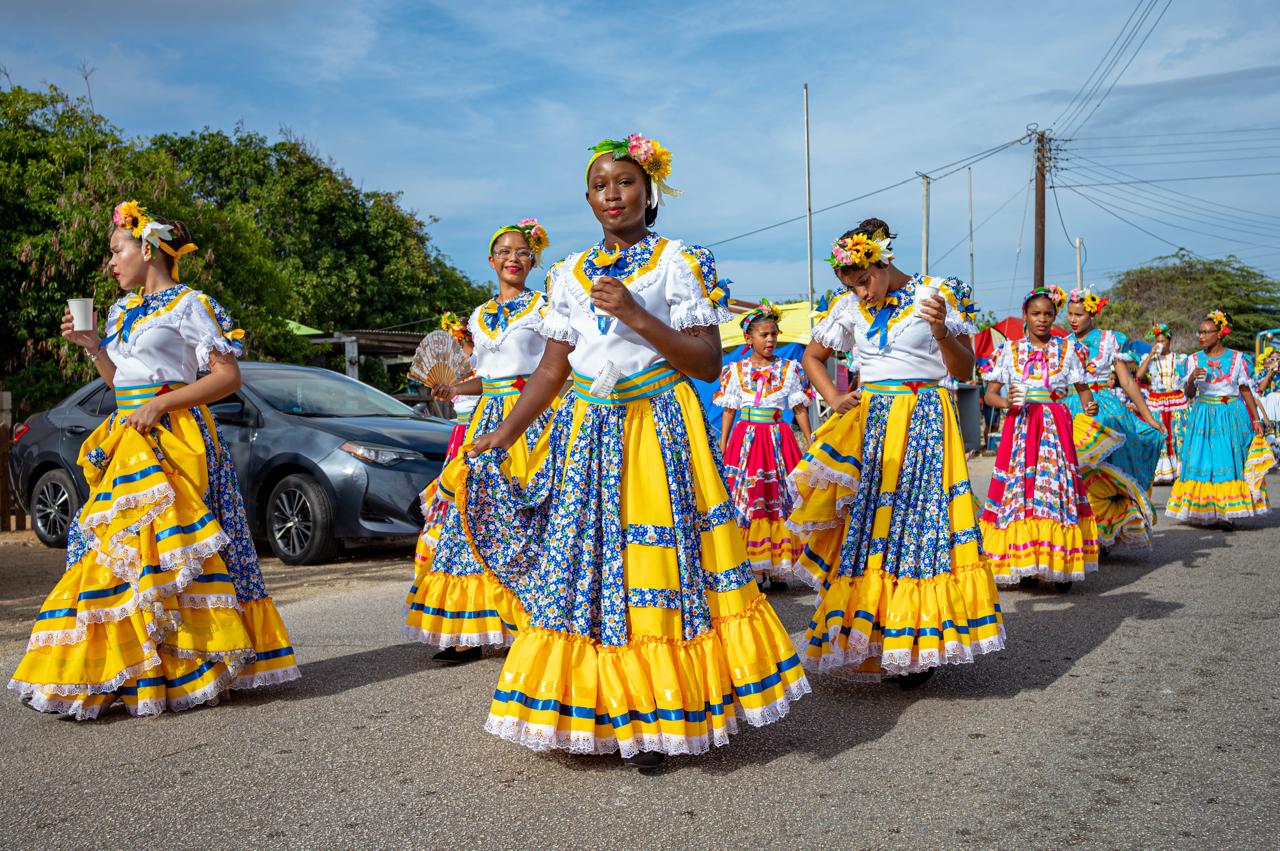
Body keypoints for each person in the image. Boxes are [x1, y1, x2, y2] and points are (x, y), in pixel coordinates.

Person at [454, 133, 808, 765]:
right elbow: (552, 369)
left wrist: (638, 315)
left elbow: (705, 361)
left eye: (623, 182)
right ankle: (600, 712)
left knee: (655, 569)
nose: (611, 194)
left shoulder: (678, 260)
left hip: (657, 430)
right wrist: (504, 434)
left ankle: (661, 713)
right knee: (586, 570)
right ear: (587, 198)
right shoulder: (566, 273)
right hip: (588, 435)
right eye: (599, 185)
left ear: (649, 192)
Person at [10, 200, 299, 718]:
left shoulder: (191, 304)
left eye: (116, 250)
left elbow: (227, 378)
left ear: (147, 248)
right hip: (127, 441)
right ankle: (130, 671)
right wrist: (94, 346)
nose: (111, 263)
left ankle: (196, 667)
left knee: (177, 555)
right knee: (123, 555)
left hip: (178, 438)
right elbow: (122, 383)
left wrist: (162, 403)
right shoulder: (121, 313)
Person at [787, 219, 1004, 685]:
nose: (863, 293)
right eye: (852, 285)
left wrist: (943, 330)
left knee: (922, 526)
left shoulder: (937, 292)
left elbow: (966, 369)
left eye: (865, 280)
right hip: (872, 423)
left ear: (884, 261)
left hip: (926, 416)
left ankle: (916, 640)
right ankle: (877, 632)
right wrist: (834, 396)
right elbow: (811, 357)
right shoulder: (847, 307)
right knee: (870, 529)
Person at [403, 219, 555, 663]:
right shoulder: (479, 315)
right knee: (473, 517)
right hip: (485, 424)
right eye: (504, 251)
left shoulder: (546, 308)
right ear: (491, 261)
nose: (513, 258)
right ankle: (474, 631)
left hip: (532, 422)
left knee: (529, 516)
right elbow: (484, 379)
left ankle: (536, 622)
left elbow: (556, 369)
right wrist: (453, 389)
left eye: (523, 252)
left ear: (533, 260)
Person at [979, 285, 1100, 589]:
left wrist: (1089, 405)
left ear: (1054, 316)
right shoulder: (1009, 351)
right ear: (1026, 316)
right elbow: (991, 395)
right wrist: (1007, 402)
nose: (1042, 319)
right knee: (1021, 492)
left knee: (1054, 490)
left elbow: (1083, 391)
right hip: (1020, 427)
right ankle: (1026, 562)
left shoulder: (1068, 350)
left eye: (1048, 314)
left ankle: (1058, 562)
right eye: (1036, 314)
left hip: (1054, 429)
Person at [714, 300, 812, 586]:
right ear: (749, 338)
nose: (770, 340)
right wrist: (723, 443)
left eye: (774, 334)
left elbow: (799, 408)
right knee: (749, 500)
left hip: (777, 440)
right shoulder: (735, 370)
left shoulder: (790, 369)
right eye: (764, 335)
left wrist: (810, 439)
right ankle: (755, 566)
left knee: (778, 499)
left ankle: (778, 565)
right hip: (745, 442)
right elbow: (729, 409)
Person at [1064, 288, 1163, 548]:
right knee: (1077, 470)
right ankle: (1083, 532)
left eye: (1079, 314)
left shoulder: (1110, 340)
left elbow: (1128, 382)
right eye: (1070, 314)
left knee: (1109, 469)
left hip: (1105, 408)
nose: (1073, 320)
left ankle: (1105, 531)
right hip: (1071, 409)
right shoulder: (1061, 343)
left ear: (1092, 314)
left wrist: (1148, 416)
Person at [1166, 311, 1273, 530]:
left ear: (1220, 333)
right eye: (1200, 332)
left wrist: (1256, 419)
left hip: (1230, 414)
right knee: (1203, 462)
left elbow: (1245, 391)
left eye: (1207, 332)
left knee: (1228, 461)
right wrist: (1192, 379)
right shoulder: (1193, 360)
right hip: (1203, 414)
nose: (1201, 336)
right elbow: (1188, 394)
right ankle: (1206, 510)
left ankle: (1227, 512)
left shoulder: (1237, 359)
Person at [1136, 324, 1189, 484]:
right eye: (1157, 341)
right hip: (1157, 401)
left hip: (1176, 400)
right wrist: (1151, 353)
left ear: (1170, 341)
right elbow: (1139, 375)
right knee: (1160, 433)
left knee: (1178, 434)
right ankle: (1160, 472)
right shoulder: (1150, 358)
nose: (1160, 344)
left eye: (1163, 341)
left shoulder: (1180, 358)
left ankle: (1179, 471)